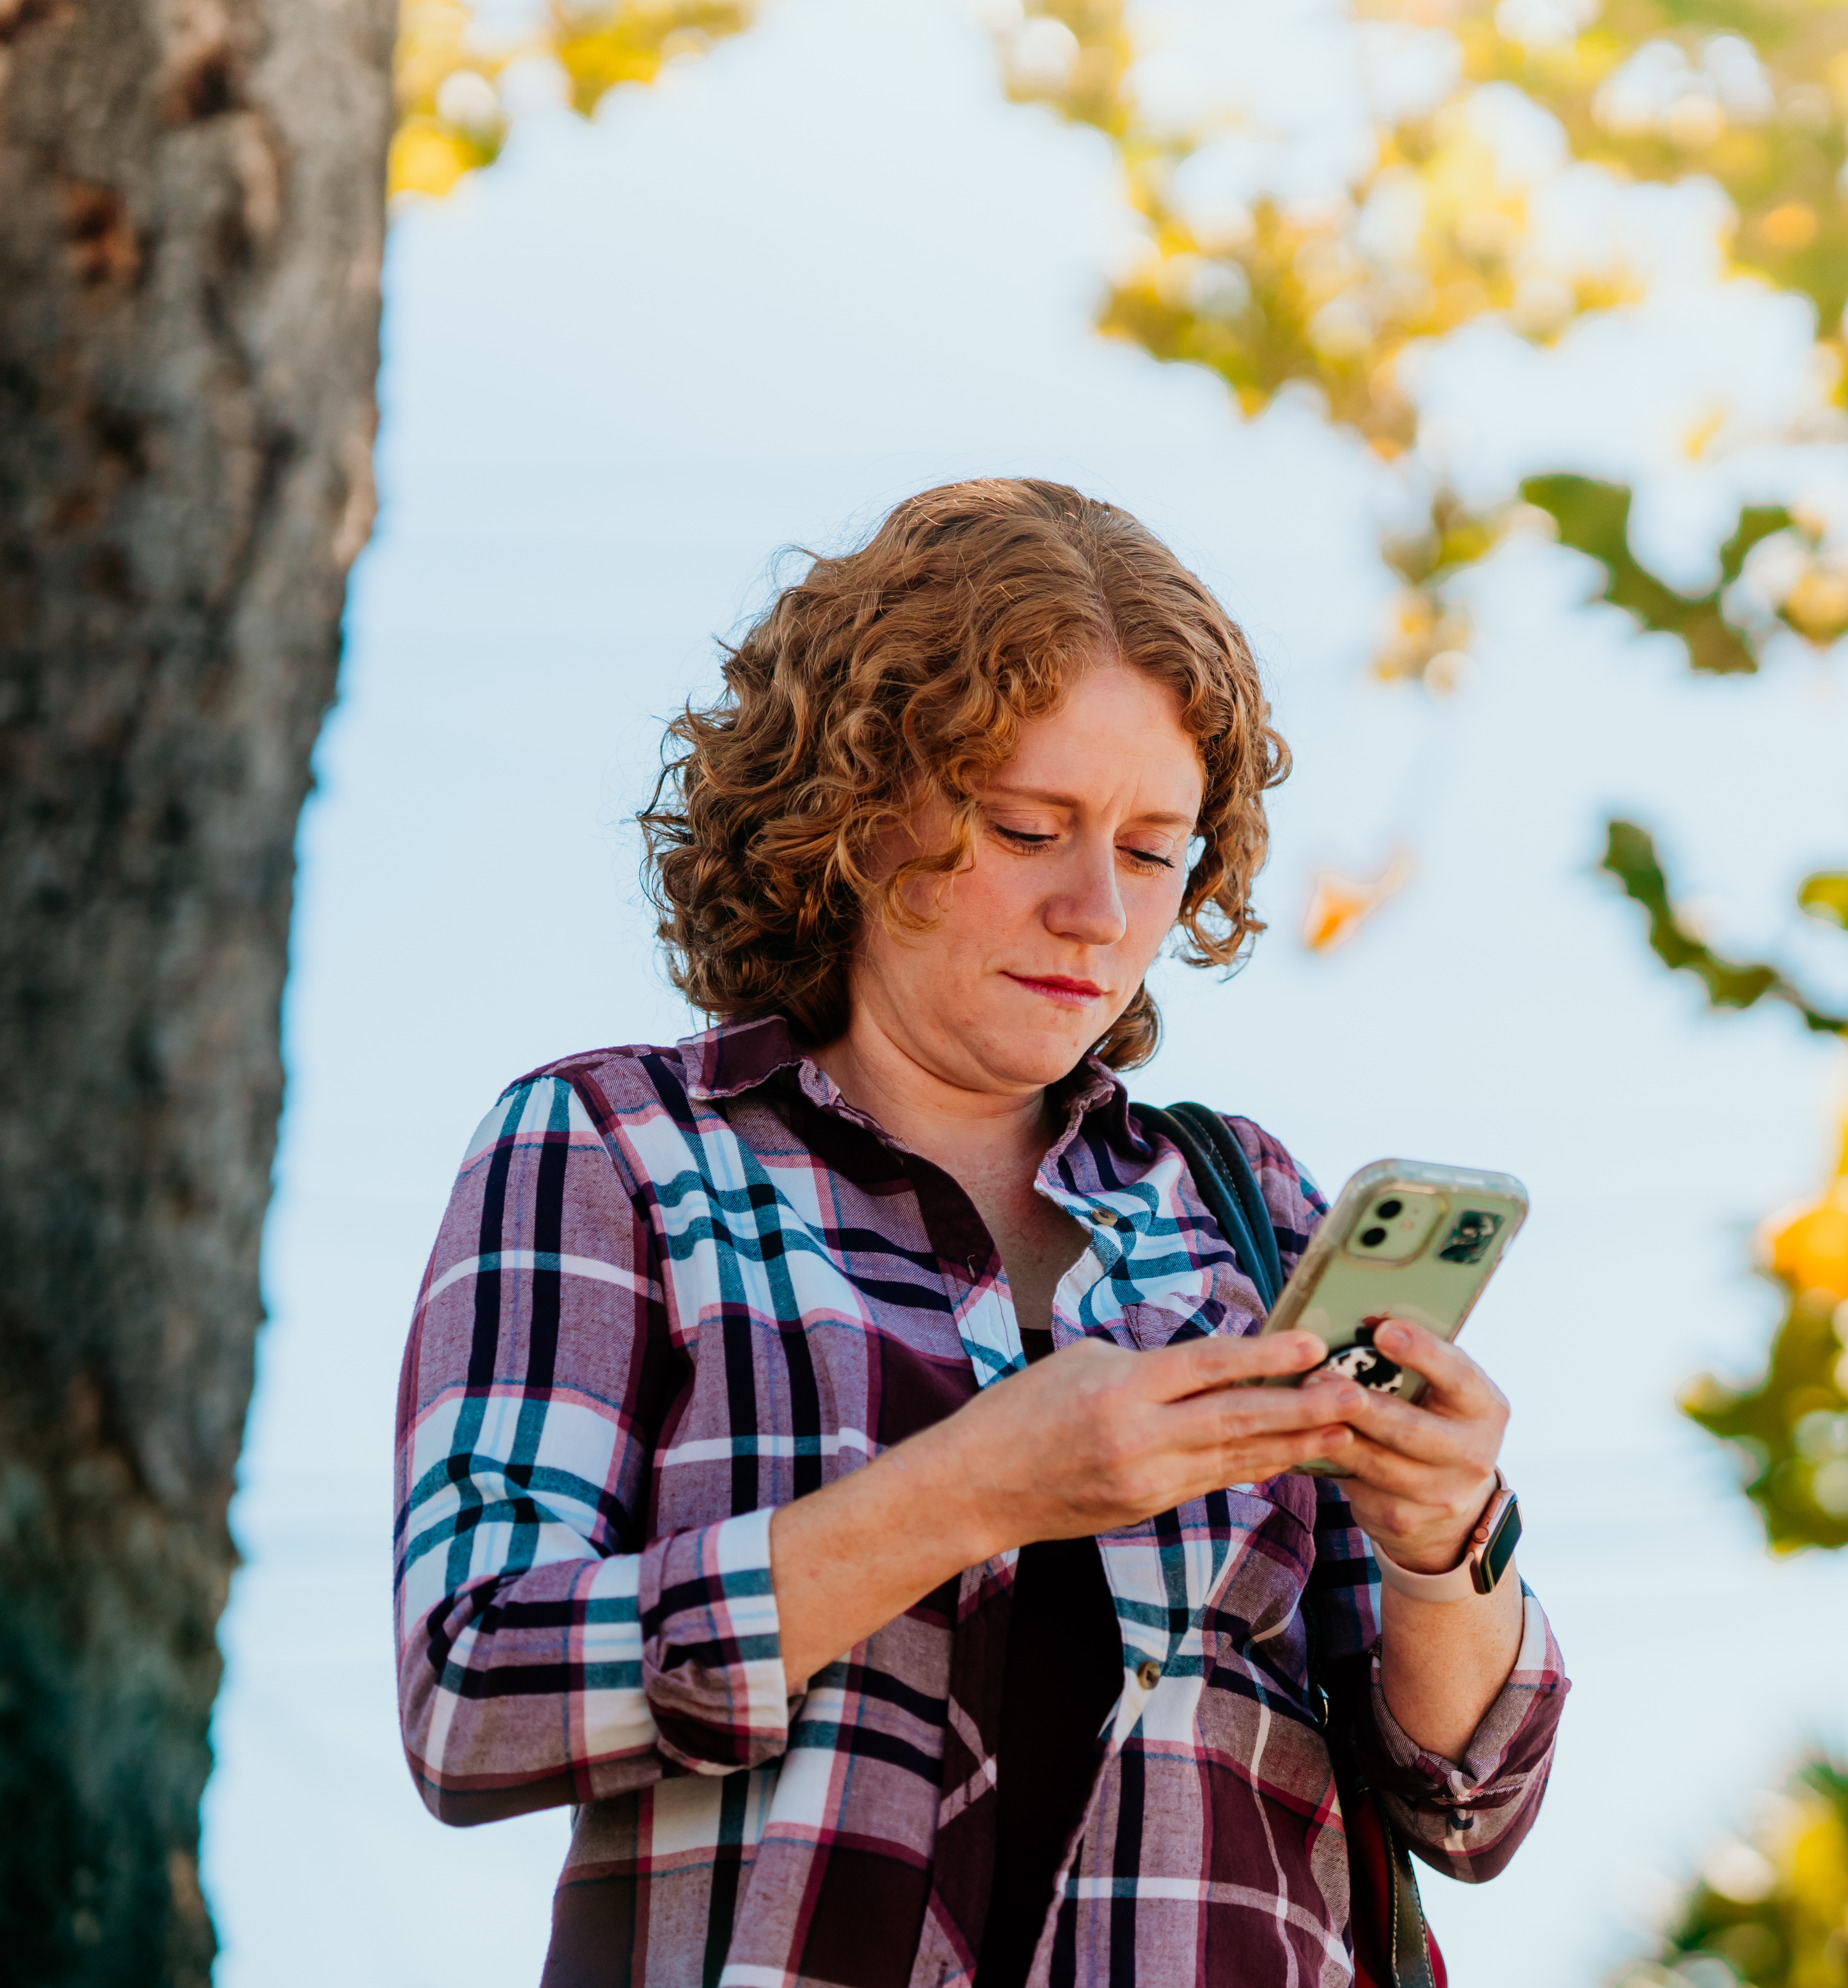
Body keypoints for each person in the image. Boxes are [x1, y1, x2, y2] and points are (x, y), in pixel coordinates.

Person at [391, 479, 1566, 1986]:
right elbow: (474, 1694)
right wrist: (967, 1494)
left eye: (1155, 852)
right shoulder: (614, 1148)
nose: (1096, 909)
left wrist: (1444, 1540)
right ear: (852, 809)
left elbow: (1473, 1804)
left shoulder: (1247, 1208)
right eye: (1029, 827)